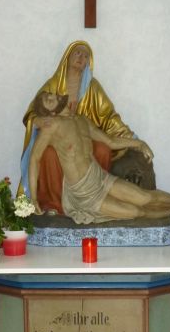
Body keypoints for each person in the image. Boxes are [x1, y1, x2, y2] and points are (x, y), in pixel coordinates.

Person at [20, 40, 152, 212]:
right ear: (67, 57)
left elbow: (109, 116)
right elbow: (33, 112)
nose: (81, 58)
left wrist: (134, 140)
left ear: (88, 63)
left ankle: (99, 195)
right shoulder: (53, 85)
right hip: (56, 140)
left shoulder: (92, 87)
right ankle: (54, 204)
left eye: (85, 56)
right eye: (77, 53)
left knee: (102, 149)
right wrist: (40, 121)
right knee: (50, 154)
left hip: (86, 136)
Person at [29, 91, 170, 223]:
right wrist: (34, 198)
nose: (54, 96)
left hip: (100, 178)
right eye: (49, 100)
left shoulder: (82, 120)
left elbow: (110, 141)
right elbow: (34, 159)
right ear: (50, 113)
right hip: (84, 194)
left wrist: (139, 143)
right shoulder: (51, 126)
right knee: (136, 211)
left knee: (145, 197)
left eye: (51, 94)